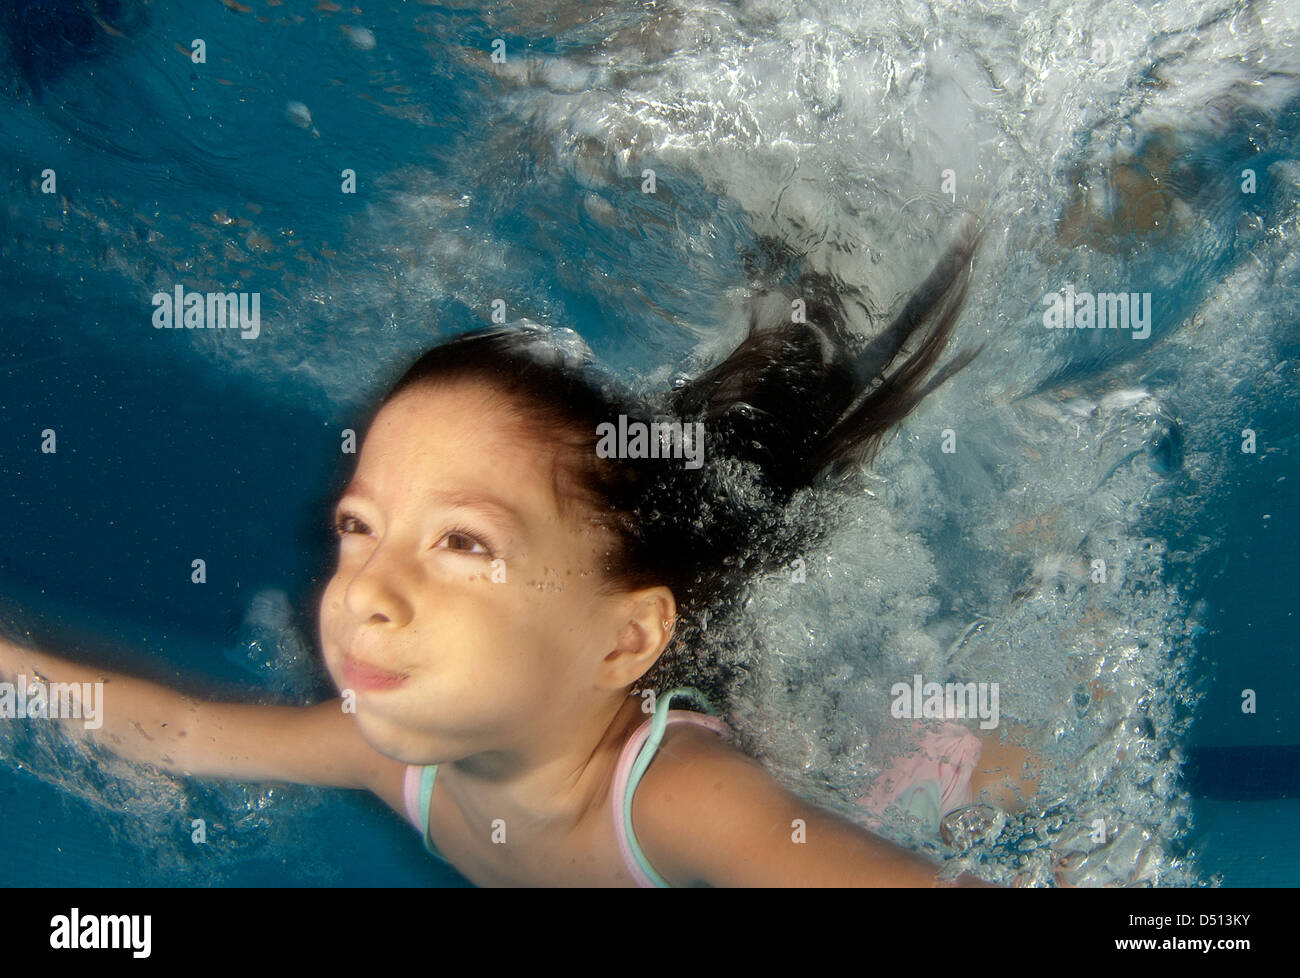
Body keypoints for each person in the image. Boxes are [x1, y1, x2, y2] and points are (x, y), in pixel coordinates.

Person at [0, 216, 1042, 886]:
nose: (367, 592)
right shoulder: (396, 748)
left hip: (887, 773)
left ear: (621, 639)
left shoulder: (676, 795)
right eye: (359, 528)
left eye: (460, 542)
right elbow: (181, 732)